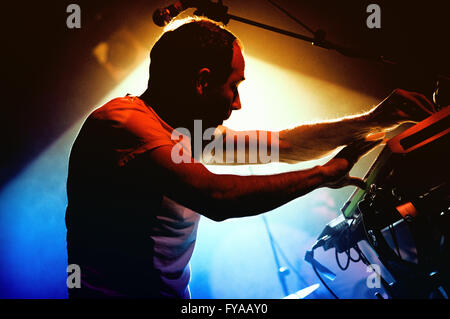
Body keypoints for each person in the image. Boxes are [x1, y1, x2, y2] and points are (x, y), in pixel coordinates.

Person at [65, 17, 435, 298]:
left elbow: (284, 146)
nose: (238, 103)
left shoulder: (184, 131)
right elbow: (216, 197)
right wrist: (322, 175)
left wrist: (376, 120)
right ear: (201, 82)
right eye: (234, 86)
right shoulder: (123, 125)